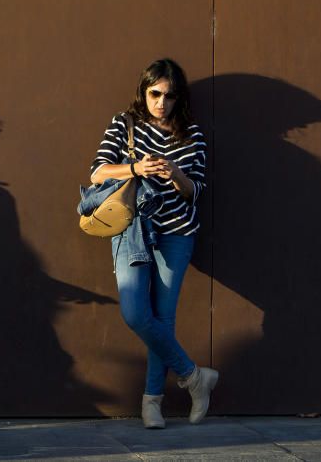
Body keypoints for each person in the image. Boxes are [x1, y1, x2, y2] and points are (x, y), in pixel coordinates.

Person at [89, 58, 218, 428]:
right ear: (143, 91)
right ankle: (195, 378)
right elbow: (97, 172)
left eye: (169, 95)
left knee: (163, 318)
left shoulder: (191, 134)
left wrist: (175, 173)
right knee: (135, 312)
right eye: (154, 93)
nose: (161, 102)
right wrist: (136, 169)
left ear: (179, 98)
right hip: (132, 229)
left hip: (177, 231)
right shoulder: (124, 124)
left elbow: (196, 191)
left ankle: (152, 403)